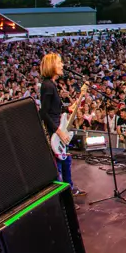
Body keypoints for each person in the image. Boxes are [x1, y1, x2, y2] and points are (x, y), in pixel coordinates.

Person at [38, 53, 86, 197]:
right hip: (55, 132)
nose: (62, 65)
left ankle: (69, 189)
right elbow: (44, 113)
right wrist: (59, 132)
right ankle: (61, 197)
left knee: (66, 160)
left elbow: (55, 108)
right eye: (59, 62)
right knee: (58, 165)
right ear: (51, 65)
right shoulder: (47, 85)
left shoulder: (52, 84)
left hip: (58, 127)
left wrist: (69, 108)